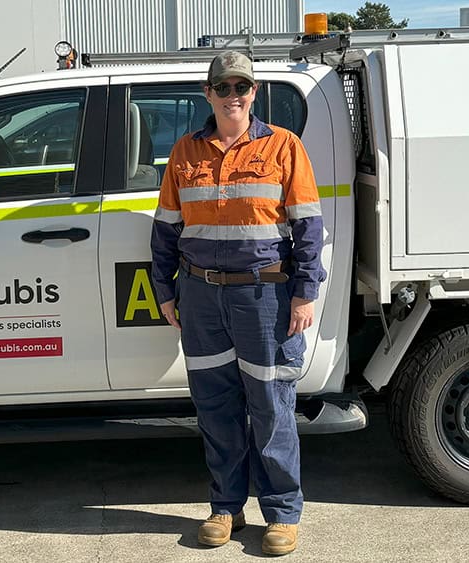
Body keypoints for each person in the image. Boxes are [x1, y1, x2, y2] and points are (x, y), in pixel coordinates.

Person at [149, 50, 326, 556]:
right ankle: (225, 507)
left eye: (241, 87)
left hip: (264, 294)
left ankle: (282, 513)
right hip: (201, 295)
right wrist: (165, 291)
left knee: (271, 406)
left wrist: (303, 292)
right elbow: (166, 229)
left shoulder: (283, 147)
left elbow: (308, 227)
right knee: (216, 407)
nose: (233, 96)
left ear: (254, 93)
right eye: (223, 87)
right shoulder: (185, 153)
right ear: (207, 93)